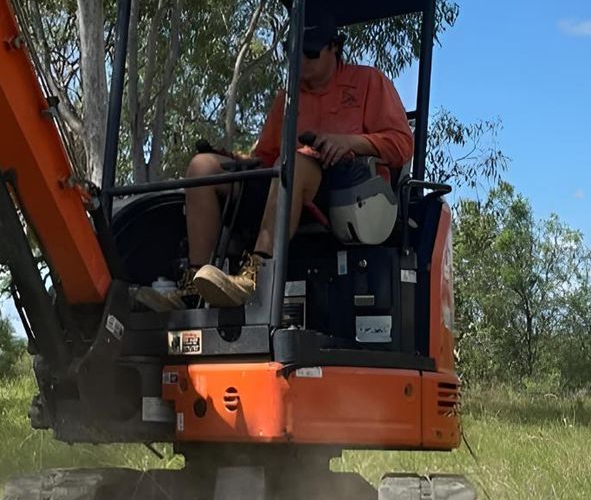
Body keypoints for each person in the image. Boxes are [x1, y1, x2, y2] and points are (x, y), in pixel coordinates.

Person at [139, 22, 413, 311]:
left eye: (310, 52)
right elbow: (267, 156)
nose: (302, 61)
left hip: (346, 194)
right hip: (285, 186)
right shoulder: (288, 98)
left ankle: (254, 276)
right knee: (202, 167)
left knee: (294, 162)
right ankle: (193, 286)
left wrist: (351, 142)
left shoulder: (369, 82)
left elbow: (402, 144)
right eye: (294, 52)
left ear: (334, 48)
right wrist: (242, 160)